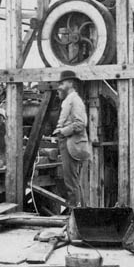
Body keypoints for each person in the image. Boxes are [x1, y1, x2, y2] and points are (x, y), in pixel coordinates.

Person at [53, 70, 91, 209]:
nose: (59, 87)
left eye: (62, 83)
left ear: (70, 83)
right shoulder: (69, 100)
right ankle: (78, 213)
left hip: (72, 145)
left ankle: (76, 214)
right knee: (71, 182)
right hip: (68, 144)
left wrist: (62, 131)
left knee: (71, 183)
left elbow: (80, 124)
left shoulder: (75, 101)